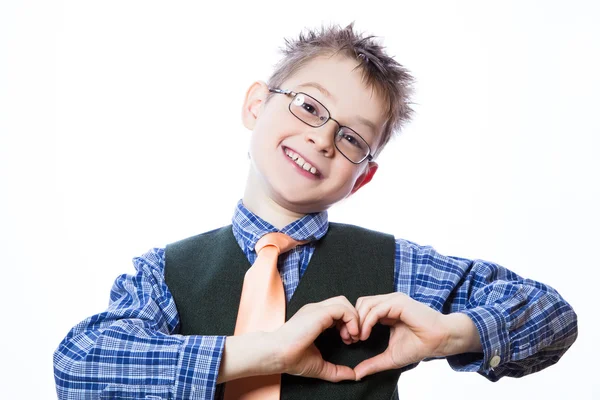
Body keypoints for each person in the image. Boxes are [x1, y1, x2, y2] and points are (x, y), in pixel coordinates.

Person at [53, 22, 578, 399]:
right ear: (256, 104)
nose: (322, 138)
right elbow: (79, 367)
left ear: (362, 177)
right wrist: (262, 353)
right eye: (308, 106)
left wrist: (455, 333)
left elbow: (552, 315)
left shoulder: (396, 267)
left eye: (350, 137)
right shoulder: (162, 274)